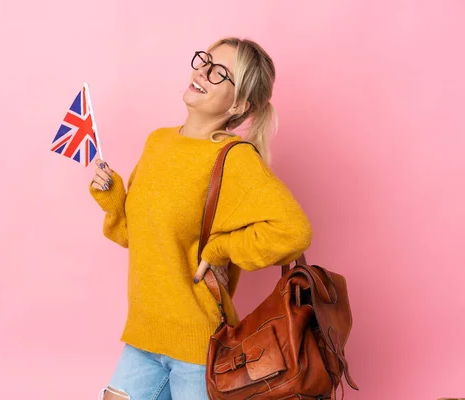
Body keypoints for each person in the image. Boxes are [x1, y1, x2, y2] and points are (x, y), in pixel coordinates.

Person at [91, 37, 313, 400]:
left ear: (240, 103)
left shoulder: (235, 159)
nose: (202, 72)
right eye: (205, 61)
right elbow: (139, 236)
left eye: (220, 72)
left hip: (199, 347)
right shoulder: (157, 142)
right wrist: (114, 201)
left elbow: (295, 232)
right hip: (144, 334)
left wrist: (222, 247)